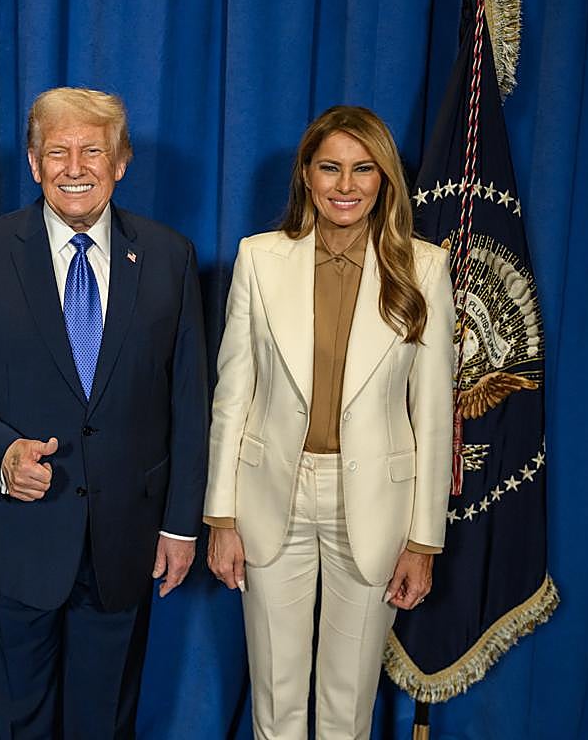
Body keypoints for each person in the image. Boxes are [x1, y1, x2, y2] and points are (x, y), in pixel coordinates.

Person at [0, 87, 208, 739]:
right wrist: (0, 450)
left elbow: (190, 401)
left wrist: (181, 526)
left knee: (103, 726)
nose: (75, 167)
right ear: (32, 161)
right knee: (13, 725)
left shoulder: (169, 257)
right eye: (57, 151)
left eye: (93, 151)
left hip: (123, 543)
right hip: (10, 540)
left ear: (121, 161)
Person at [204, 105, 454, 739]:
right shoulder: (259, 258)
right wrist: (221, 516)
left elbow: (433, 414)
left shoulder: (424, 268)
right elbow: (233, 395)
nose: (346, 185)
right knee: (276, 699)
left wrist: (424, 541)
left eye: (363, 169)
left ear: (384, 178)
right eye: (330, 168)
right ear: (306, 176)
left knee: (348, 706)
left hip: (375, 505)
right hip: (271, 496)